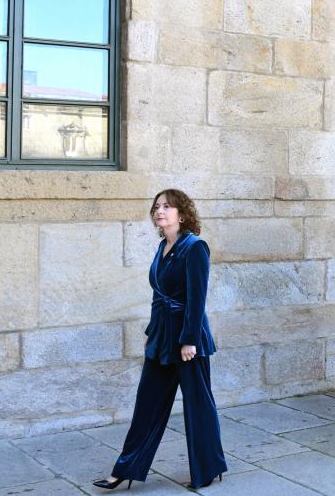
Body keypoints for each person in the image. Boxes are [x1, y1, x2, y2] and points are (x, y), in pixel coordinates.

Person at [93, 189, 226, 491]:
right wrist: (153, 334)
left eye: (167, 206)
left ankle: (208, 468)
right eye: (156, 207)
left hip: (187, 341)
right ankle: (124, 470)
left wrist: (189, 340)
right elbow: (159, 295)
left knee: (198, 406)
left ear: (182, 213)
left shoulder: (195, 248)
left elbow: (197, 298)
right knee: (147, 404)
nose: (160, 211)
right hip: (162, 338)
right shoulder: (161, 246)